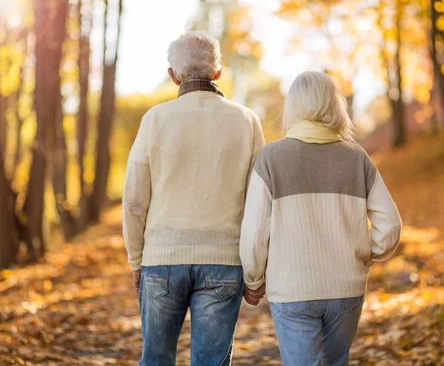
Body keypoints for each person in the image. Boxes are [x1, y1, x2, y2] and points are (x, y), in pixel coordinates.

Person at [122, 31, 265, 366]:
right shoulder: (247, 121)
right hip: (224, 260)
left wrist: (135, 259)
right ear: (218, 72)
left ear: (173, 75)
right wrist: (255, 273)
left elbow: (133, 201)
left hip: (161, 259)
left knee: (155, 359)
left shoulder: (154, 120)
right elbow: (259, 205)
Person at [239, 71, 402, 366]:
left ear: (293, 107)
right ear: (334, 105)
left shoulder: (270, 158)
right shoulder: (357, 158)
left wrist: (253, 279)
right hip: (346, 289)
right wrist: (366, 256)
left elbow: (254, 234)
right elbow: (390, 224)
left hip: (292, 290)